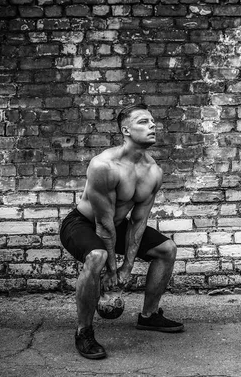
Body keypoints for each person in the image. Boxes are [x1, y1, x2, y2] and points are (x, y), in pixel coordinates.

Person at [60, 104, 184, 360]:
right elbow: (103, 225)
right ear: (125, 130)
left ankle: (149, 316)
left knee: (166, 249)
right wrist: (113, 271)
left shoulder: (153, 172)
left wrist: (128, 267)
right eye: (143, 121)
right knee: (97, 256)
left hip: (115, 226)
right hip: (81, 223)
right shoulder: (104, 166)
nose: (152, 125)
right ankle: (84, 331)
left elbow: (139, 222)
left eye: (153, 121)